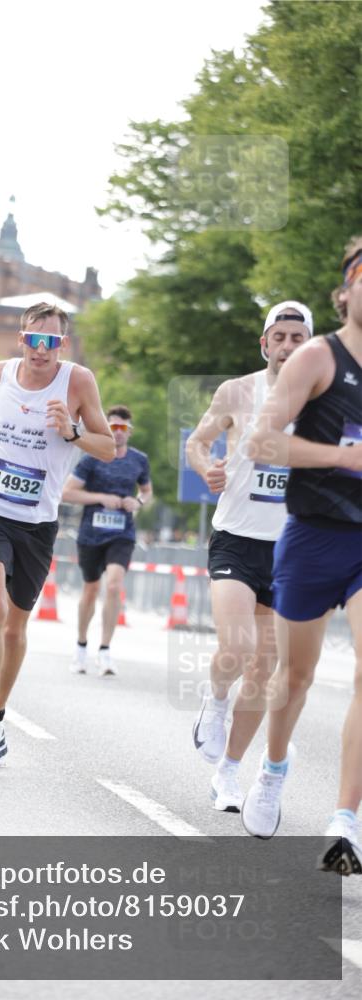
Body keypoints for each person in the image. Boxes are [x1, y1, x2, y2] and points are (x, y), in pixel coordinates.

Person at [242, 240, 362, 874]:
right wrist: (341, 457)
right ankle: (274, 766)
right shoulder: (319, 357)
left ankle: (346, 819)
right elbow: (262, 442)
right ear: (344, 292)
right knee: (295, 680)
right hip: (314, 536)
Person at [0, 301, 115, 767]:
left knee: (16, 624)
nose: (41, 350)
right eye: (33, 339)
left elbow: (107, 448)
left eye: (51, 342)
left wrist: (73, 431)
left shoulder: (78, 382)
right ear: (21, 338)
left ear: (62, 345)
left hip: (38, 521)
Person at [187, 301, 313, 812]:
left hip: (292, 549)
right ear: (265, 344)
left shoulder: (326, 403)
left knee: (263, 670)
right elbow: (197, 443)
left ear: (311, 346)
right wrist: (205, 469)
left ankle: (230, 772)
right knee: (236, 649)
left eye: (297, 337)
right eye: (279, 337)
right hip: (237, 538)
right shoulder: (237, 391)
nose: (287, 345)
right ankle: (215, 702)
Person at [62, 405, 152, 676]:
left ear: (129, 431)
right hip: (91, 533)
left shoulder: (139, 460)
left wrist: (136, 502)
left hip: (122, 533)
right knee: (90, 590)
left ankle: (105, 650)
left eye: (123, 428)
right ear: (106, 427)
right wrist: (100, 498)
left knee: (113, 585)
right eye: (113, 427)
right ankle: (81, 646)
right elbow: (68, 493)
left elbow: (147, 492)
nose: (118, 432)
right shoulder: (91, 458)